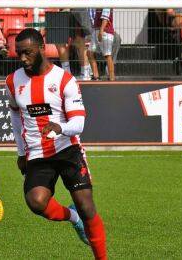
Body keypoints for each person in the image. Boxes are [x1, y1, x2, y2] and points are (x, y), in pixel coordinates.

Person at [6, 28, 107, 260]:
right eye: (19, 53)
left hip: (67, 148)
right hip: (37, 153)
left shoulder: (64, 79)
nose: (23, 59)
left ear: (42, 49)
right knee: (36, 202)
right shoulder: (13, 81)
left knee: (86, 206)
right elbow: (14, 115)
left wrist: (59, 127)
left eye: (28, 53)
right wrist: (21, 152)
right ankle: (74, 218)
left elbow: (78, 123)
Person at [56, 0, 93, 80]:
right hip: (63, 7)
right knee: (58, 40)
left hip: (77, 8)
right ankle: (66, 73)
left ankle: (85, 72)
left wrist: (69, 7)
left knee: (80, 42)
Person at [87, 0, 115, 81]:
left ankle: (111, 77)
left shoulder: (107, 0)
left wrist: (101, 30)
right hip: (97, 30)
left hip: (105, 31)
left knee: (107, 55)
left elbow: (105, 17)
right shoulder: (100, 1)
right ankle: (96, 76)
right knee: (89, 53)